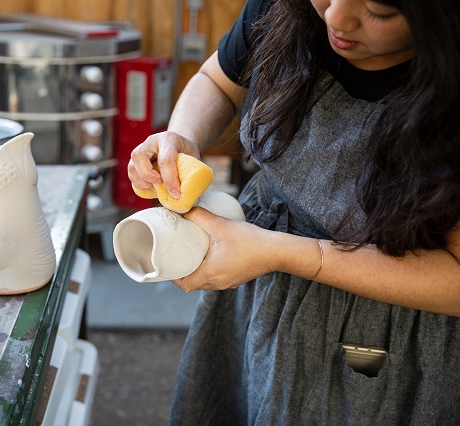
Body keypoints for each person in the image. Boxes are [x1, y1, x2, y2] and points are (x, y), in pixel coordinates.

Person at [127, 0, 460, 424]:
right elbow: (218, 80)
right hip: (261, 290)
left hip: (385, 342)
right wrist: (182, 136)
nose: (337, 18)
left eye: (379, 11)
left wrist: (280, 252)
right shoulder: (284, 9)